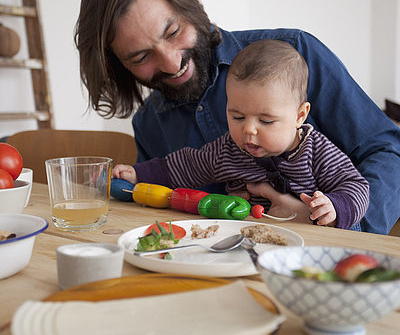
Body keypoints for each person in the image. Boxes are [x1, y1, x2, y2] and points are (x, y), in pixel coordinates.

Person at [74, 0, 400, 234]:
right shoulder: (149, 123)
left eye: (173, 32)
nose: (172, 63)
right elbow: (163, 194)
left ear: (190, 10)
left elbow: (389, 152)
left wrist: (339, 225)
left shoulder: (297, 54)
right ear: (121, 67)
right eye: (142, 57)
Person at [112, 40, 370, 229]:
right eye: (237, 117)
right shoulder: (227, 150)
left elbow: (356, 187)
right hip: (244, 241)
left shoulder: (317, 151)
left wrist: (334, 207)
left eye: (266, 120)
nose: (248, 130)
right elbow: (183, 166)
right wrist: (138, 174)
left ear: (300, 116)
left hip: (307, 246)